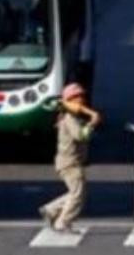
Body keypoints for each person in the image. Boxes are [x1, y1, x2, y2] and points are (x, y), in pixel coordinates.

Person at [39, 83, 101, 233]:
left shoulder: (71, 117)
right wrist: (93, 122)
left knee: (76, 192)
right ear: (70, 100)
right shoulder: (69, 118)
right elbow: (80, 135)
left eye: (82, 96)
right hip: (70, 162)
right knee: (78, 194)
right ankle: (62, 222)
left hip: (70, 161)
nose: (82, 100)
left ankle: (51, 210)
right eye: (77, 97)